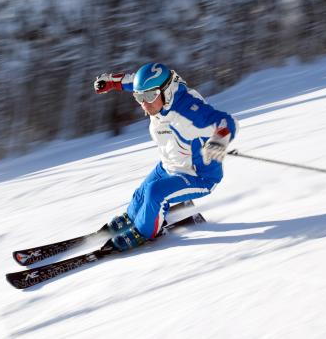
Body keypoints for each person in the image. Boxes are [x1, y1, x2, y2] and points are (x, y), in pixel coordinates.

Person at [93, 63, 238, 252]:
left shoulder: (189, 112)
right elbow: (132, 82)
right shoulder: (156, 94)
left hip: (198, 176)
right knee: (142, 192)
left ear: (166, 92)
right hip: (171, 164)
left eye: (150, 96)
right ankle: (132, 216)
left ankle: (143, 232)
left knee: (155, 192)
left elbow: (227, 122)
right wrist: (111, 82)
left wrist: (219, 140)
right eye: (139, 97)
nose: (144, 103)